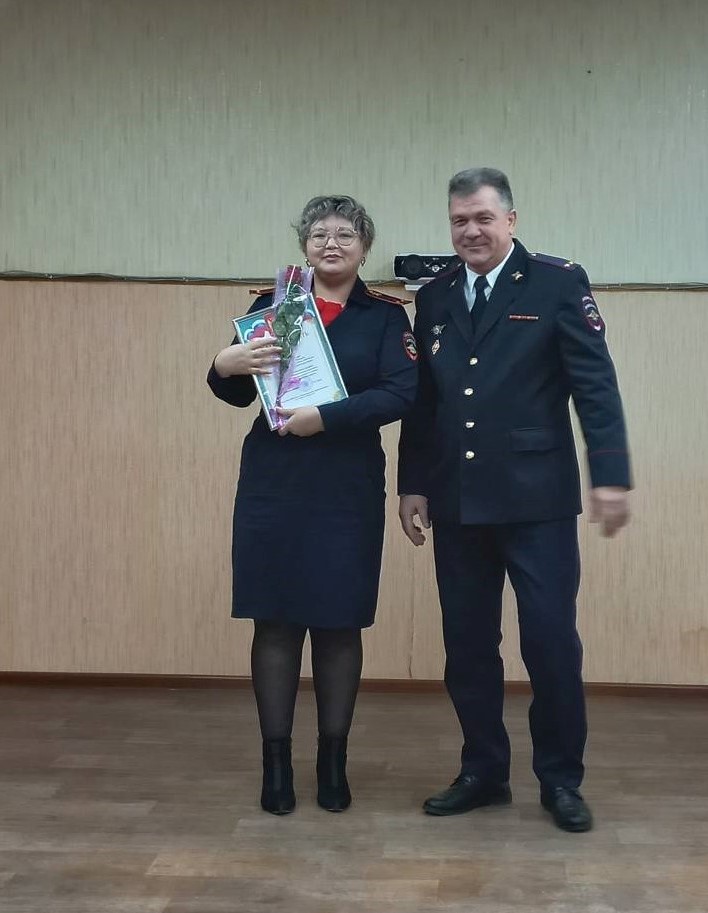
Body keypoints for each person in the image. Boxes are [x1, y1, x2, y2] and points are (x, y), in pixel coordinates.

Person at [397, 167, 631, 833]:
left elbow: (595, 385)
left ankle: (560, 779)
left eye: (483, 218)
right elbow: (425, 401)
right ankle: (483, 771)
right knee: (468, 643)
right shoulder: (435, 295)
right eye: (459, 220)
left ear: (511, 220)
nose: (470, 230)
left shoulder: (557, 283)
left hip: (537, 501)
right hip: (457, 499)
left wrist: (609, 472)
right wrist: (413, 481)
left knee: (550, 641)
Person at [208, 195, 418, 815]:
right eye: (320, 233)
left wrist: (325, 418)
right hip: (274, 482)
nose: (331, 244)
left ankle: (332, 762)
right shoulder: (275, 304)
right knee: (274, 621)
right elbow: (236, 393)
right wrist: (224, 363)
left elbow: (401, 393)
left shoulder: (385, 317)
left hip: (345, 486)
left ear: (364, 248)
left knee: (338, 621)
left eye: (345, 234)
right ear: (304, 244)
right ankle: (275, 765)